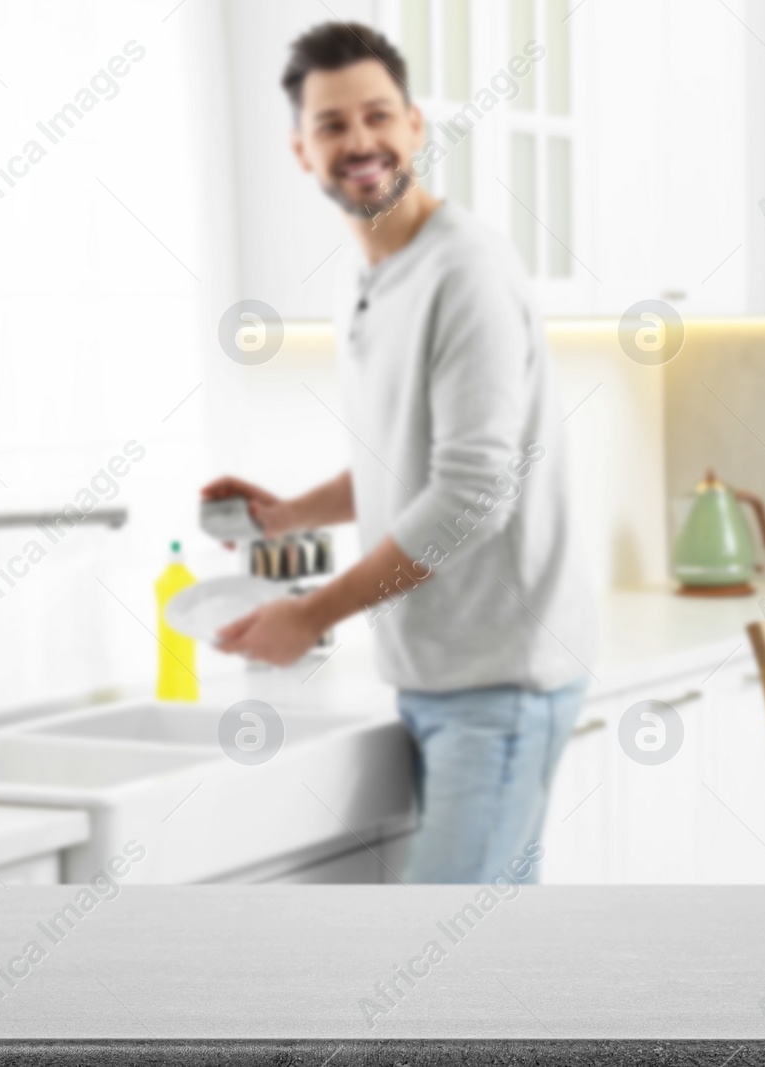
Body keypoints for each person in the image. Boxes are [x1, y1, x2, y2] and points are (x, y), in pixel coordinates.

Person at [202, 21, 595, 885]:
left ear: (415, 125)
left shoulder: (466, 272)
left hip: (501, 679)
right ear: (301, 150)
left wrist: (310, 615)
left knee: (438, 971)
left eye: (377, 115)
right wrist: (290, 512)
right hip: (443, 679)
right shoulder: (373, 275)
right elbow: (409, 461)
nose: (361, 142)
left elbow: (469, 496)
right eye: (333, 126)